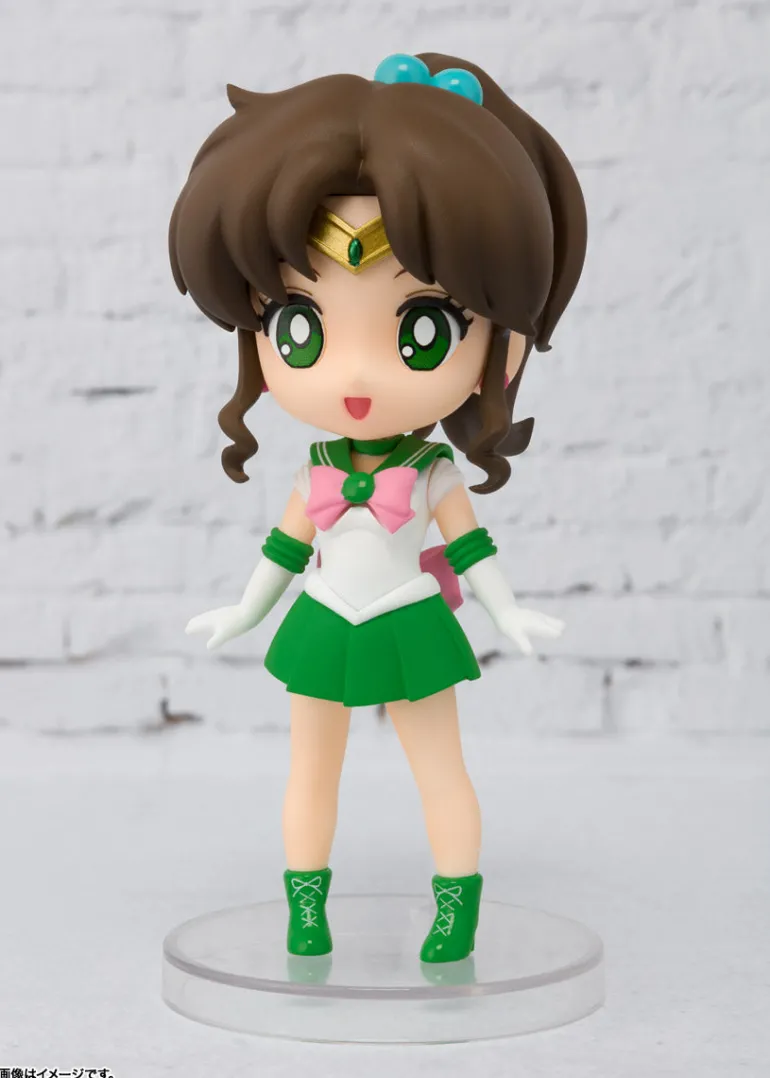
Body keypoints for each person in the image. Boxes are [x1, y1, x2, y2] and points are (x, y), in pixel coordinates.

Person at [169, 52, 587, 964]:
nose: (354, 375)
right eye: (300, 326)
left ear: (503, 346)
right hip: (323, 619)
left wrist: (509, 610)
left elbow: (472, 554)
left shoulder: (432, 474)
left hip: (408, 621)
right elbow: (284, 552)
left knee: (440, 770)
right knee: (311, 771)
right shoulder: (315, 470)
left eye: (422, 328)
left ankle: (455, 910)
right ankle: (305, 908)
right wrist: (244, 609)